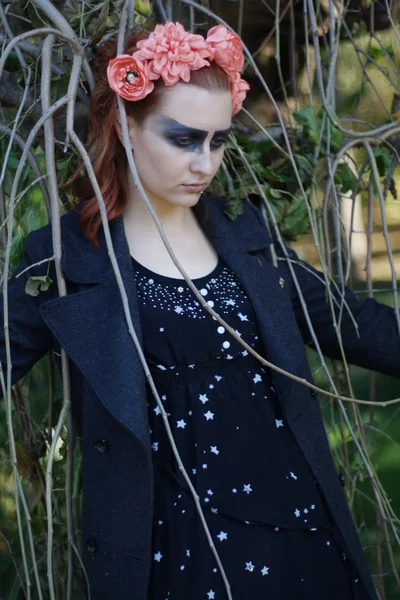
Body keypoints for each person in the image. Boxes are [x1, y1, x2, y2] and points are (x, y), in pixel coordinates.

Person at [2, 20, 400, 600]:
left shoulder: (246, 236)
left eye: (217, 141)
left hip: (295, 530)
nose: (205, 163)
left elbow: (355, 325)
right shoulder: (67, 261)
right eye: (184, 139)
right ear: (126, 125)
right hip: (172, 551)